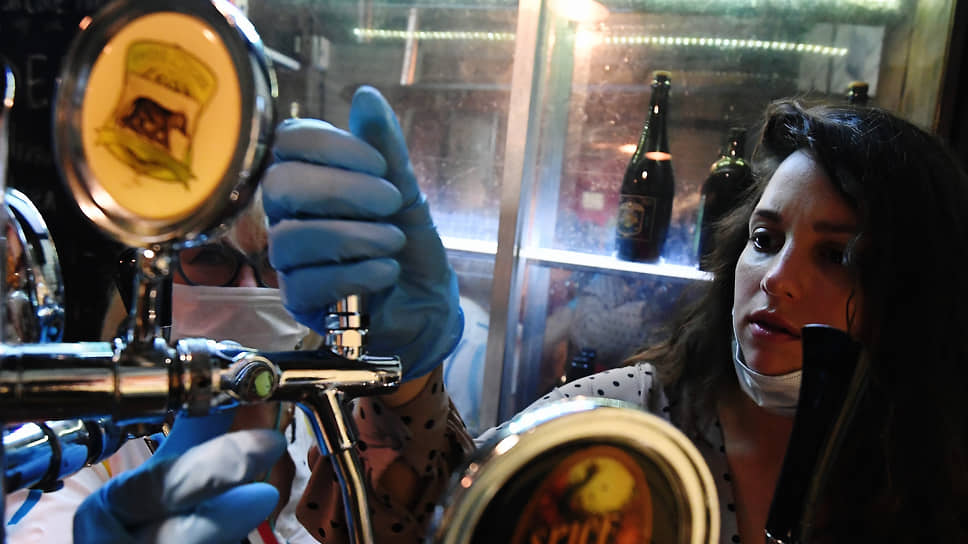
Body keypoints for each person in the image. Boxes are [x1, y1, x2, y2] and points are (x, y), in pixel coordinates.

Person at [73, 88, 968, 543]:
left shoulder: (936, 474)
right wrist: (405, 384)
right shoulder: (618, 423)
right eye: (764, 240)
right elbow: (442, 518)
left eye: (838, 256)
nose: (777, 279)